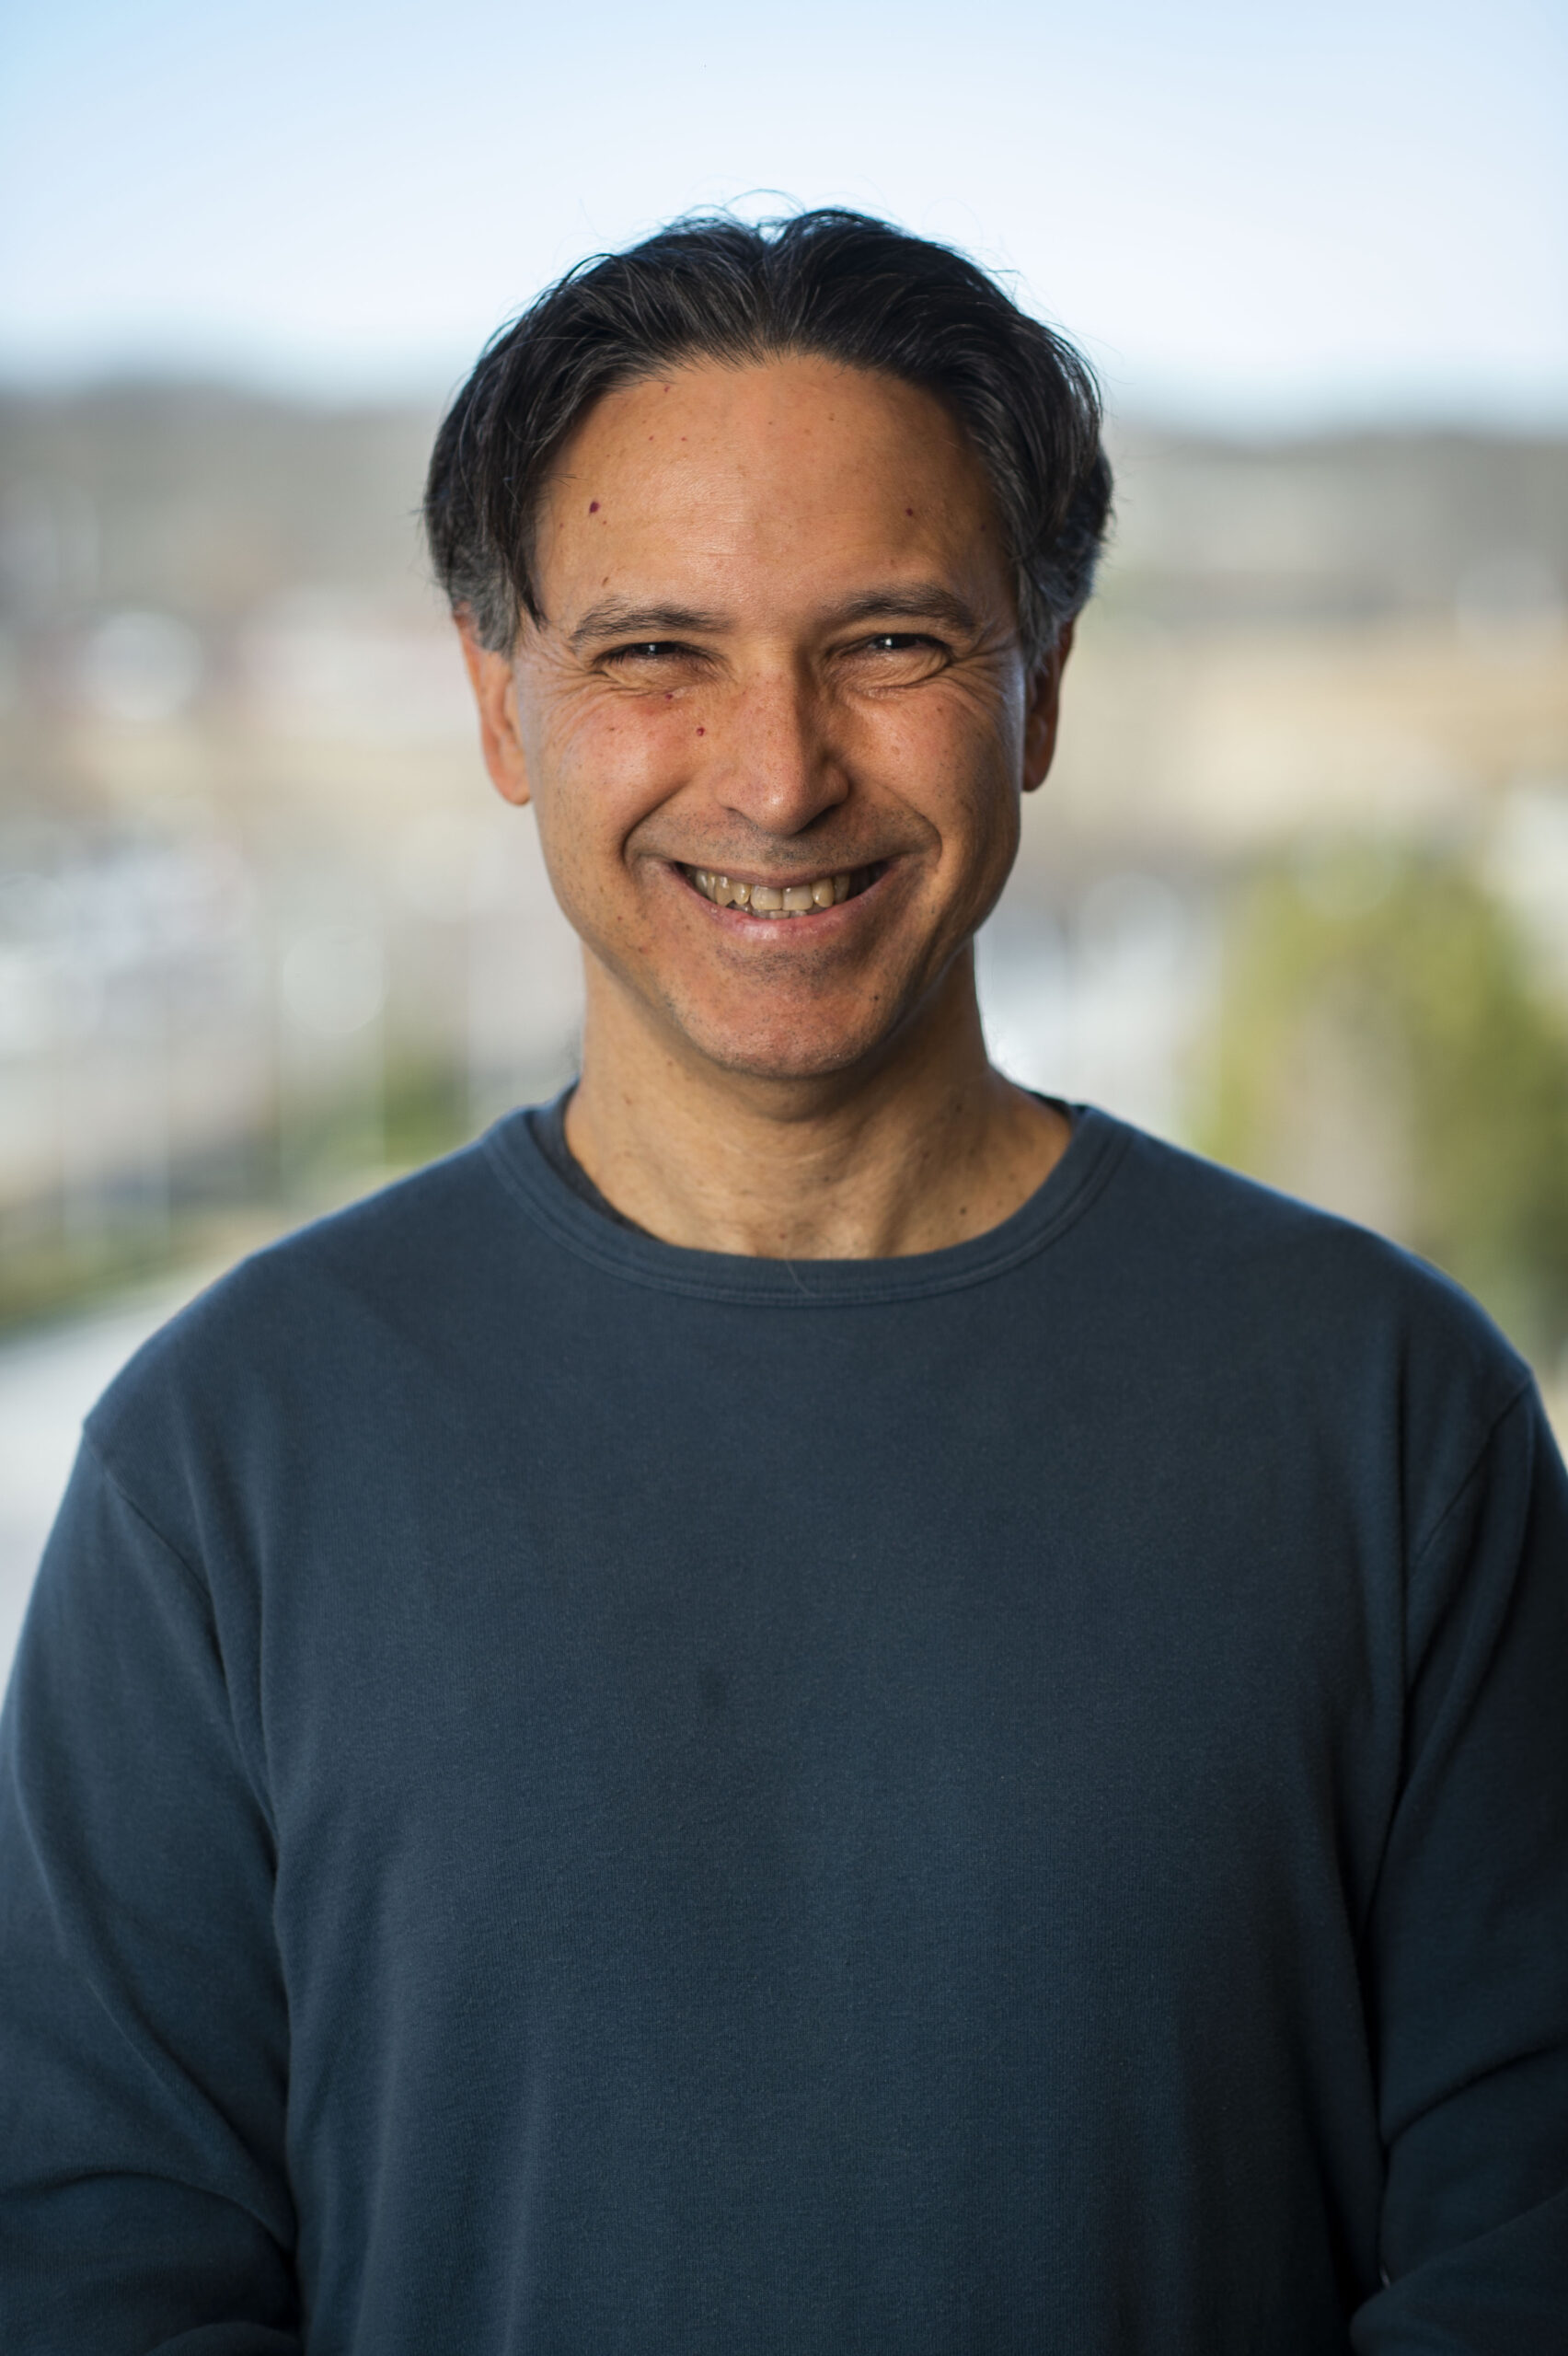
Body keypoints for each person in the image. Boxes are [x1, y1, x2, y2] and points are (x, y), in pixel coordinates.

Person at [2, 210, 1564, 2355]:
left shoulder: (1397, 1424)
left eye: (895, 642)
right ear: (501, 701)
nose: (778, 772)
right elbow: (100, 2283)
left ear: (1042, 688)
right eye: (658, 650)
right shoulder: (216, 1469)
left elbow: (1524, 2252)